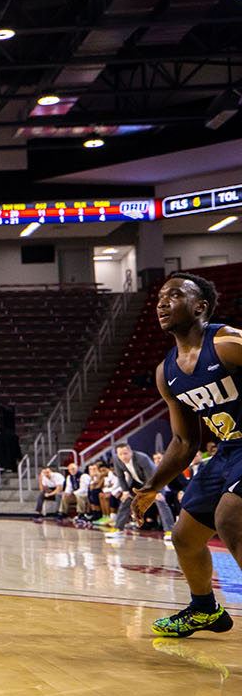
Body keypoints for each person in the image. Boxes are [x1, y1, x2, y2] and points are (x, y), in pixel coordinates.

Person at [130, 273, 242, 638]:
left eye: (175, 295)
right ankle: (204, 610)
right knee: (184, 535)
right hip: (228, 451)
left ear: (200, 307)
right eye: (160, 297)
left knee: (230, 516)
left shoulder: (228, 344)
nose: (162, 303)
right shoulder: (168, 372)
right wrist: (151, 486)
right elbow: (183, 441)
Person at [113, 443, 168, 531]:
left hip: (155, 481)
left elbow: (151, 477)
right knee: (126, 500)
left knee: (160, 500)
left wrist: (157, 492)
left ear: (131, 452)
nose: (123, 457)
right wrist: (125, 491)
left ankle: (169, 531)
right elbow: (120, 476)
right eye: (120, 454)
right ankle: (117, 529)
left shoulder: (142, 458)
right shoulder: (117, 460)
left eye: (125, 453)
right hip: (137, 482)